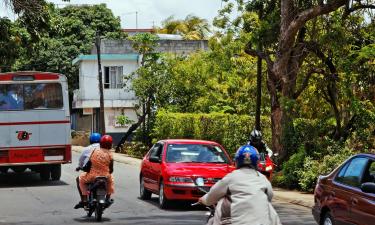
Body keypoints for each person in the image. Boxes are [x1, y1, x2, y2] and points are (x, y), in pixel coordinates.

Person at [198, 145, 281, 225]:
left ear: (236, 161)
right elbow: (269, 196)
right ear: (257, 162)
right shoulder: (263, 179)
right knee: (270, 210)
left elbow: (212, 196)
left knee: (221, 203)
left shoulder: (231, 177)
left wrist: (203, 199)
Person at [75, 135, 115, 209]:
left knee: (80, 179)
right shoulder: (110, 154)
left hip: (92, 176)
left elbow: (89, 163)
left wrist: (83, 168)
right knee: (111, 180)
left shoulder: (94, 151)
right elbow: (111, 169)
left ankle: (84, 199)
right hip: (106, 177)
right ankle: (108, 198)